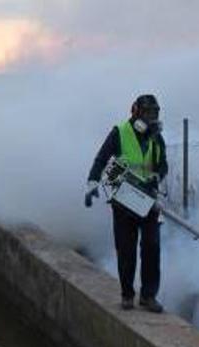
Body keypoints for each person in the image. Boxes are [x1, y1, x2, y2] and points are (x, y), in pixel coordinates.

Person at [86, 94, 168, 312]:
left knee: (152, 248)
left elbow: (163, 166)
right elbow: (101, 159)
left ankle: (148, 296)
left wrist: (156, 177)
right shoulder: (120, 133)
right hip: (123, 200)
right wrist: (92, 183)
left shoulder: (156, 138)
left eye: (154, 114)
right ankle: (127, 295)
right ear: (135, 113)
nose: (151, 119)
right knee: (126, 250)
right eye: (147, 114)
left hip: (148, 200)